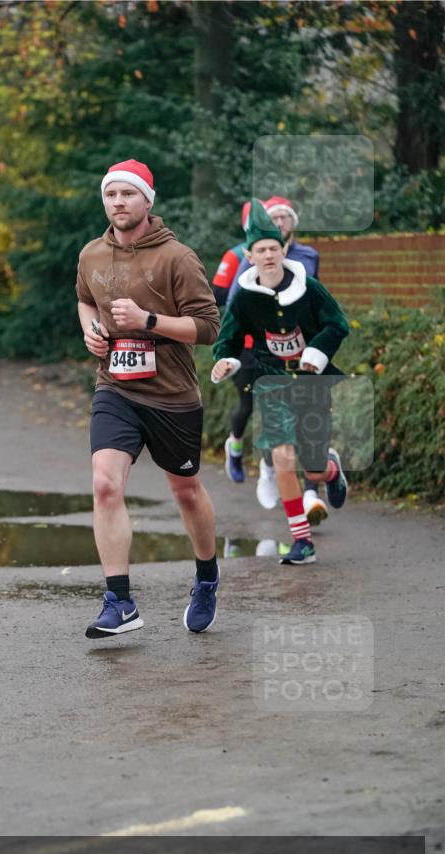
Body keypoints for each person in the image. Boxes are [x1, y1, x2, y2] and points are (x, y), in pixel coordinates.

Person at [76, 159, 221, 637]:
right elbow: (84, 298)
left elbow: (207, 328)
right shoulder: (91, 254)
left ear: (147, 201)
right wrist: (91, 331)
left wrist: (148, 322)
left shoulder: (177, 257)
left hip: (171, 394)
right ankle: (119, 601)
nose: (118, 202)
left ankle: (206, 577)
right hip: (114, 386)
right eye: (111, 194)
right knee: (104, 484)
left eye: (128, 194)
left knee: (185, 490)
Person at [211, 199, 349, 565]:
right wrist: (224, 359)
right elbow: (228, 339)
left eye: (274, 248)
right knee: (282, 459)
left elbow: (339, 325)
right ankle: (302, 541)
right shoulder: (244, 298)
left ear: (284, 249)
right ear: (249, 255)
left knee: (313, 466)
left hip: (311, 381)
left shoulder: (310, 288)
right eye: (261, 250)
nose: (269, 255)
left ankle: (331, 471)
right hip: (271, 382)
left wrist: (316, 352)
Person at [227, 196, 327, 524]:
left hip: (304, 351)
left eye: (286, 216)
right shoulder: (252, 258)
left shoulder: (308, 257)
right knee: (256, 412)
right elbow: (235, 304)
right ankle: (266, 467)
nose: (281, 221)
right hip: (259, 352)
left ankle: (312, 492)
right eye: (275, 217)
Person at [210, 201, 254, 485]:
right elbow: (217, 294)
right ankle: (235, 447)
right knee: (248, 403)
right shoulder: (236, 255)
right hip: (246, 344)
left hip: (283, 345)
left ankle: (277, 472)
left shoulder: (295, 257)